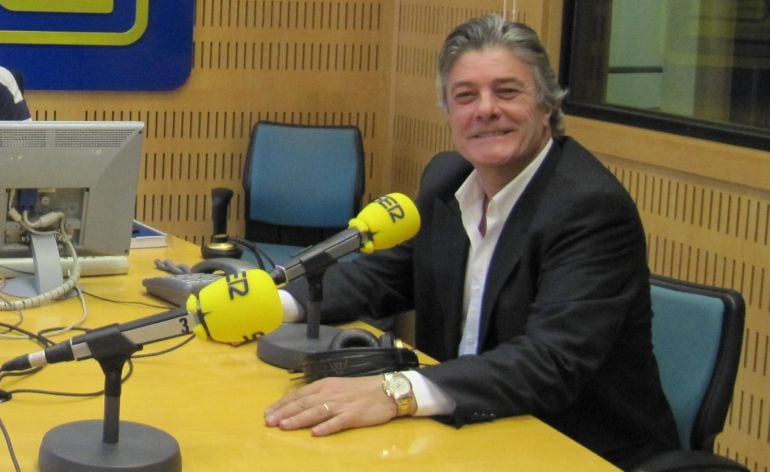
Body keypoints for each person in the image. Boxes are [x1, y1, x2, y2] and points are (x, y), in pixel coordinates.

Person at [264, 14, 680, 469]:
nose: (485, 109)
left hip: (571, 447)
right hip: (465, 434)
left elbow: (549, 361)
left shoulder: (589, 207)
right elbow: (384, 276)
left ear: (546, 105)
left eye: (507, 91)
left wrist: (396, 392)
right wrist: (269, 305)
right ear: (448, 112)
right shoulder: (449, 179)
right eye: (466, 96)